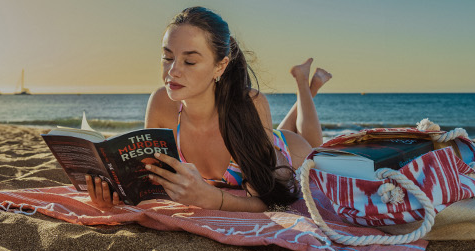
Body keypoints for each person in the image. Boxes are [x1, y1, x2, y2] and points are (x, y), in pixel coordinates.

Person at [86, 6, 331, 212]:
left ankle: (305, 84)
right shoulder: (161, 103)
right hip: (262, 140)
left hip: (287, 153)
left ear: (220, 67)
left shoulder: (251, 104)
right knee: (275, 133)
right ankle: (307, 86)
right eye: (167, 57)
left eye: (189, 61)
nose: (173, 71)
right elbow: (150, 183)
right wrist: (113, 195)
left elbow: (272, 201)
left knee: (315, 146)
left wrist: (215, 200)